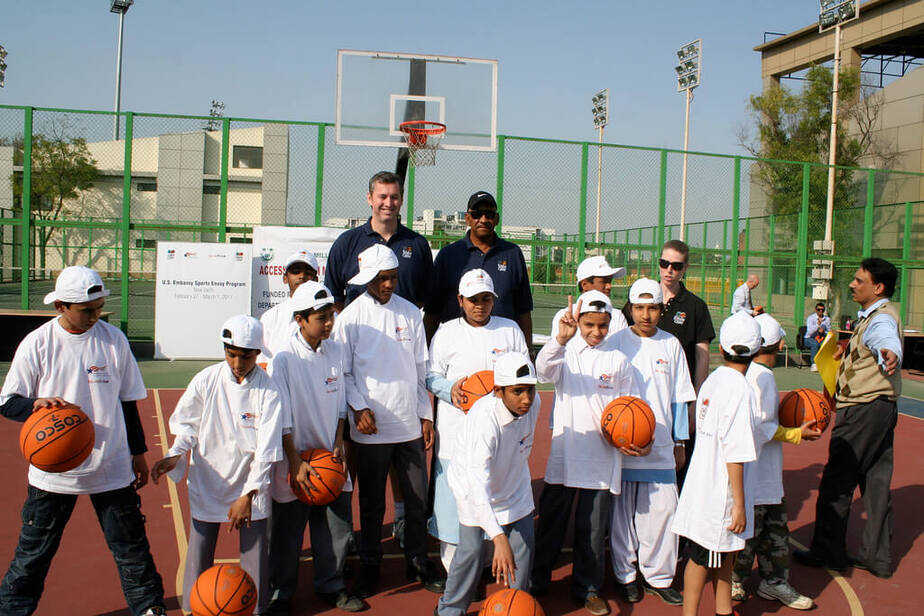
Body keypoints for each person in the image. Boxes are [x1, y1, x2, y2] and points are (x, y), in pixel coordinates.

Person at [0, 266, 167, 616]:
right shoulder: (38, 343)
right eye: (87, 310)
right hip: (54, 471)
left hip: (111, 465)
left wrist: (138, 453)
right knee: (33, 552)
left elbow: (126, 401)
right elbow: (8, 402)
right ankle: (13, 609)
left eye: (99, 307)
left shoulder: (113, 340)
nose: (96, 316)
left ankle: (149, 607)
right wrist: (35, 405)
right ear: (61, 306)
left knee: (131, 548)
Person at [151, 315, 284, 616]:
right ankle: (193, 609)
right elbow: (186, 426)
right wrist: (175, 453)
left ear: (258, 354)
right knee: (198, 554)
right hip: (208, 480)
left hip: (250, 484)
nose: (237, 363)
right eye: (231, 354)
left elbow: (266, 451)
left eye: (246, 356)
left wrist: (248, 495)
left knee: (254, 558)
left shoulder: (270, 391)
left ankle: (255, 611)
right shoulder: (206, 380)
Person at [332, 244, 445, 597]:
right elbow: (345, 372)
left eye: (393, 278)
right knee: (371, 503)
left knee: (415, 500)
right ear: (367, 280)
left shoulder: (411, 313)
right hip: (370, 428)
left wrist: (425, 414)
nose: (388, 284)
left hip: (409, 426)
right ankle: (370, 565)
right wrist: (359, 409)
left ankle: (417, 561)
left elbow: (419, 368)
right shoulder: (349, 319)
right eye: (381, 279)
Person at [794, 258, 902, 579]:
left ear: (878, 287)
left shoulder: (882, 320)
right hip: (883, 408)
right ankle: (877, 558)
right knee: (876, 483)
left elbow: (885, 339)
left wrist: (889, 352)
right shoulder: (875, 317)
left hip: (863, 409)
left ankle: (828, 552)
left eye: (859, 280)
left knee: (837, 481)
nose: (853, 285)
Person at [532, 291, 637, 616]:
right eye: (589, 325)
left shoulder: (618, 360)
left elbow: (630, 407)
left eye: (602, 326)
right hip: (566, 454)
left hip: (604, 459)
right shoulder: (567, 352)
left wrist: (633, 437)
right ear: (577, 321)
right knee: (550, 523)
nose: (595, 332)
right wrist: (560, 340)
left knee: (592, 530)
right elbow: (543, 372)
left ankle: (588, 588)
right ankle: (537, 580)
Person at [265, 281, 364, 613]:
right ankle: (281, 593)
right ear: (300, 320)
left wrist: (338, 442)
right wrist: (294, 460)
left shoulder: (335, 350)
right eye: (320, 318)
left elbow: (339, 406)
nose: (329, 323)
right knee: (288, 535)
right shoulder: (283, 359)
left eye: (330, 315)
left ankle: (331, 585)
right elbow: (282, 416)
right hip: (297, 463)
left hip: (329, 459)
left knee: (335, 529)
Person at [426, 269, 529, 571]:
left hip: (500, 434)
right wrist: (450, 389)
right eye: (472, 299)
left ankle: (485, 565)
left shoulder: (509, 330)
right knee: (452, 502)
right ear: (460, 300)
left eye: (486, 299)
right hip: (456, 431)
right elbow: (430, 375)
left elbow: (524, 374)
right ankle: (454, 570)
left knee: (490, 495)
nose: (479, 305)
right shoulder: (446, 331)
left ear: (494, 300)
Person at [608, 278, 696, 607]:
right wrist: (614, 436)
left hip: (659, 448)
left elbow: (680, 397)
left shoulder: (671, 345)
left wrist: (679, 442)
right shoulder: (616, 342)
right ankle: (625, 575)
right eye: (640, 308)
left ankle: (658, 576)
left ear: (662, 309)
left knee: (663, 512)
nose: (646, 315)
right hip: (622, 445)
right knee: (622, 515)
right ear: (630, 309)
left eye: (653, 308)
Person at [435, 353, 541, 616]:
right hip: (473, 490)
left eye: (530, 389)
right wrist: (497, 537)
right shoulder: (484, 421)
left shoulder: (533, 403)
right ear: (498, 391)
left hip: (514, 489)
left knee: (524, 550)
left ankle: (518, 606)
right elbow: (477, 485)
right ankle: (449, 609)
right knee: (470, 553)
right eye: (518, 391)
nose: (526, 398)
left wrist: (506, 538)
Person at [671, 311, 761, 616]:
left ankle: (723, 609)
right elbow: (734, 451)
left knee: (724, 555)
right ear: (757, 351)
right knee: (702, 559)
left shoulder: (712, 380)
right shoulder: (741, 390)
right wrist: (738, 503)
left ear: (721, 348)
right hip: (718, 494)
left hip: (702, 486)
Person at [731, 313, 819, 610]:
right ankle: (747, 580)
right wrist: (796, 433)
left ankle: (760, 581)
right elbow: (758, 428)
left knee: (770, 531)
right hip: (757, 474)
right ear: (780, 344)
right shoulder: (762, 377)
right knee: (759, 532)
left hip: (760, 474)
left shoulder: (747, 374)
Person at [424, 191, 533, 344]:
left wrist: (528, 350)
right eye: (476, 214)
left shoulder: (513, 254)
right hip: (458, 346)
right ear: (467, 219)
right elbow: (432, 311)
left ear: (496, 219)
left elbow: (524, 310)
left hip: (502, 345)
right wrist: (426, 349)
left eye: (489, 214)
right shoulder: (448, 255)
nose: (483, 219)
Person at [323, 171, 434, 311]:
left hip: (401, 331)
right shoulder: (346, 242)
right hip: (359, 331)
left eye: (394, 197)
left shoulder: (418, 244)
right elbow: (333, 297)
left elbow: (424, 297)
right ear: (370, 198)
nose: (388, 203)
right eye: (382, 197)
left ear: (401, 200)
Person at [550, 255, 628, 343]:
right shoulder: (563, 317)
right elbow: (556, 353)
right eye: (603, 281)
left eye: (610, 281)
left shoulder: (617, 316)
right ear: (584, 285)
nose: (609, 286)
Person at [259, 249, 319, 359]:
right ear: (285, 278)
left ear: (316, 279)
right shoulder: (270, 318)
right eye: (296, 272)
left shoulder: (328, 318)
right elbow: (262, 362)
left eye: (308, 273)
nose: (302, 276)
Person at [803, 302, 830, 369]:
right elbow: (809, 332)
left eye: (822, 310)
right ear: (816, 310)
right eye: (819, 309)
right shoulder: (810, 318)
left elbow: (829, 331)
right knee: (814, 344)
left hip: (821, 338)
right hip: (809, 338)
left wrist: (824, 332)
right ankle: (813, 364)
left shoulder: (827, 319)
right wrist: (817, 325)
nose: (820, 311)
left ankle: (824, 363)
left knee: (824, 344)